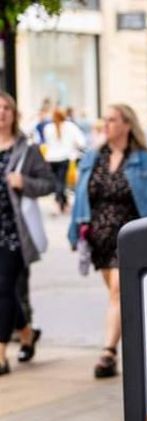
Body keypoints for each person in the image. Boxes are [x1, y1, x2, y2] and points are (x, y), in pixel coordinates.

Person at [68, 104, 147, 378]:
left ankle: (108, 352)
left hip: (130, 236)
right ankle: (139, 344)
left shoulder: (143, 159)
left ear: (127, 125)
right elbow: (82, 196)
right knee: (119, 297)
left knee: (119, 292)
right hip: (100, 238)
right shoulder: (94, 157)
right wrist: (75, 230)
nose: (106, 125)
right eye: (104, 120)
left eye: (112, 120)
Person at [0, 92, 53, 372]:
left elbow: (49, 184)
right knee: (5, 290)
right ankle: (26, 333)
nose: (1, 113)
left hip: (15, 234)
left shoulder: (26, 150)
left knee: (4, 288)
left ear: (14, 113)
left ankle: (0, 355)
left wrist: (24, 182)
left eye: (6, 108)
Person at [40, 107, 86, 213]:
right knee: (61, 181)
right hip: (64, 157)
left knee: (56, 181)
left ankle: (62, 202)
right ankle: (58, 202)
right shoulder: (70, 126)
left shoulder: (48, 128)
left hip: (51, 158)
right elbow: (81, 142)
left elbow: (46, 142)